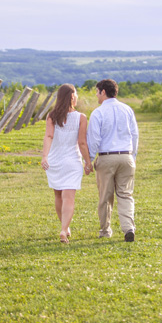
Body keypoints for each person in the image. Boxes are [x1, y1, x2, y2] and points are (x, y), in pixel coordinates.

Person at [86, 79, 139, 242]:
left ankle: (105, 230)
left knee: (105, 196)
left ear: (103, 92)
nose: (96, 95)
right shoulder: (127, 109)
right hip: (126, 156)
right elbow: (135, 134)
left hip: (106, 157)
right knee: (125, 194)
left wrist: (89, 159)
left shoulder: (98, 112)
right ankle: (128, 227)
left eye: (97, 92)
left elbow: (94, 138)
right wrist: (133, 156)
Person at [41, 84, 92, 244]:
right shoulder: (81, 117)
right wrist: (88, 162)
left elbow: (48, 136)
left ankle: (65, 227)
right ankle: (64, 229)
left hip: (55, 161)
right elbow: (82, 142)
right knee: (69, 197)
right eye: (76, 94)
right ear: (72, 97)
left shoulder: (51, 116)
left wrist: (45, 157)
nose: (77, 97)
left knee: (58, 195)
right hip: (72, 162)